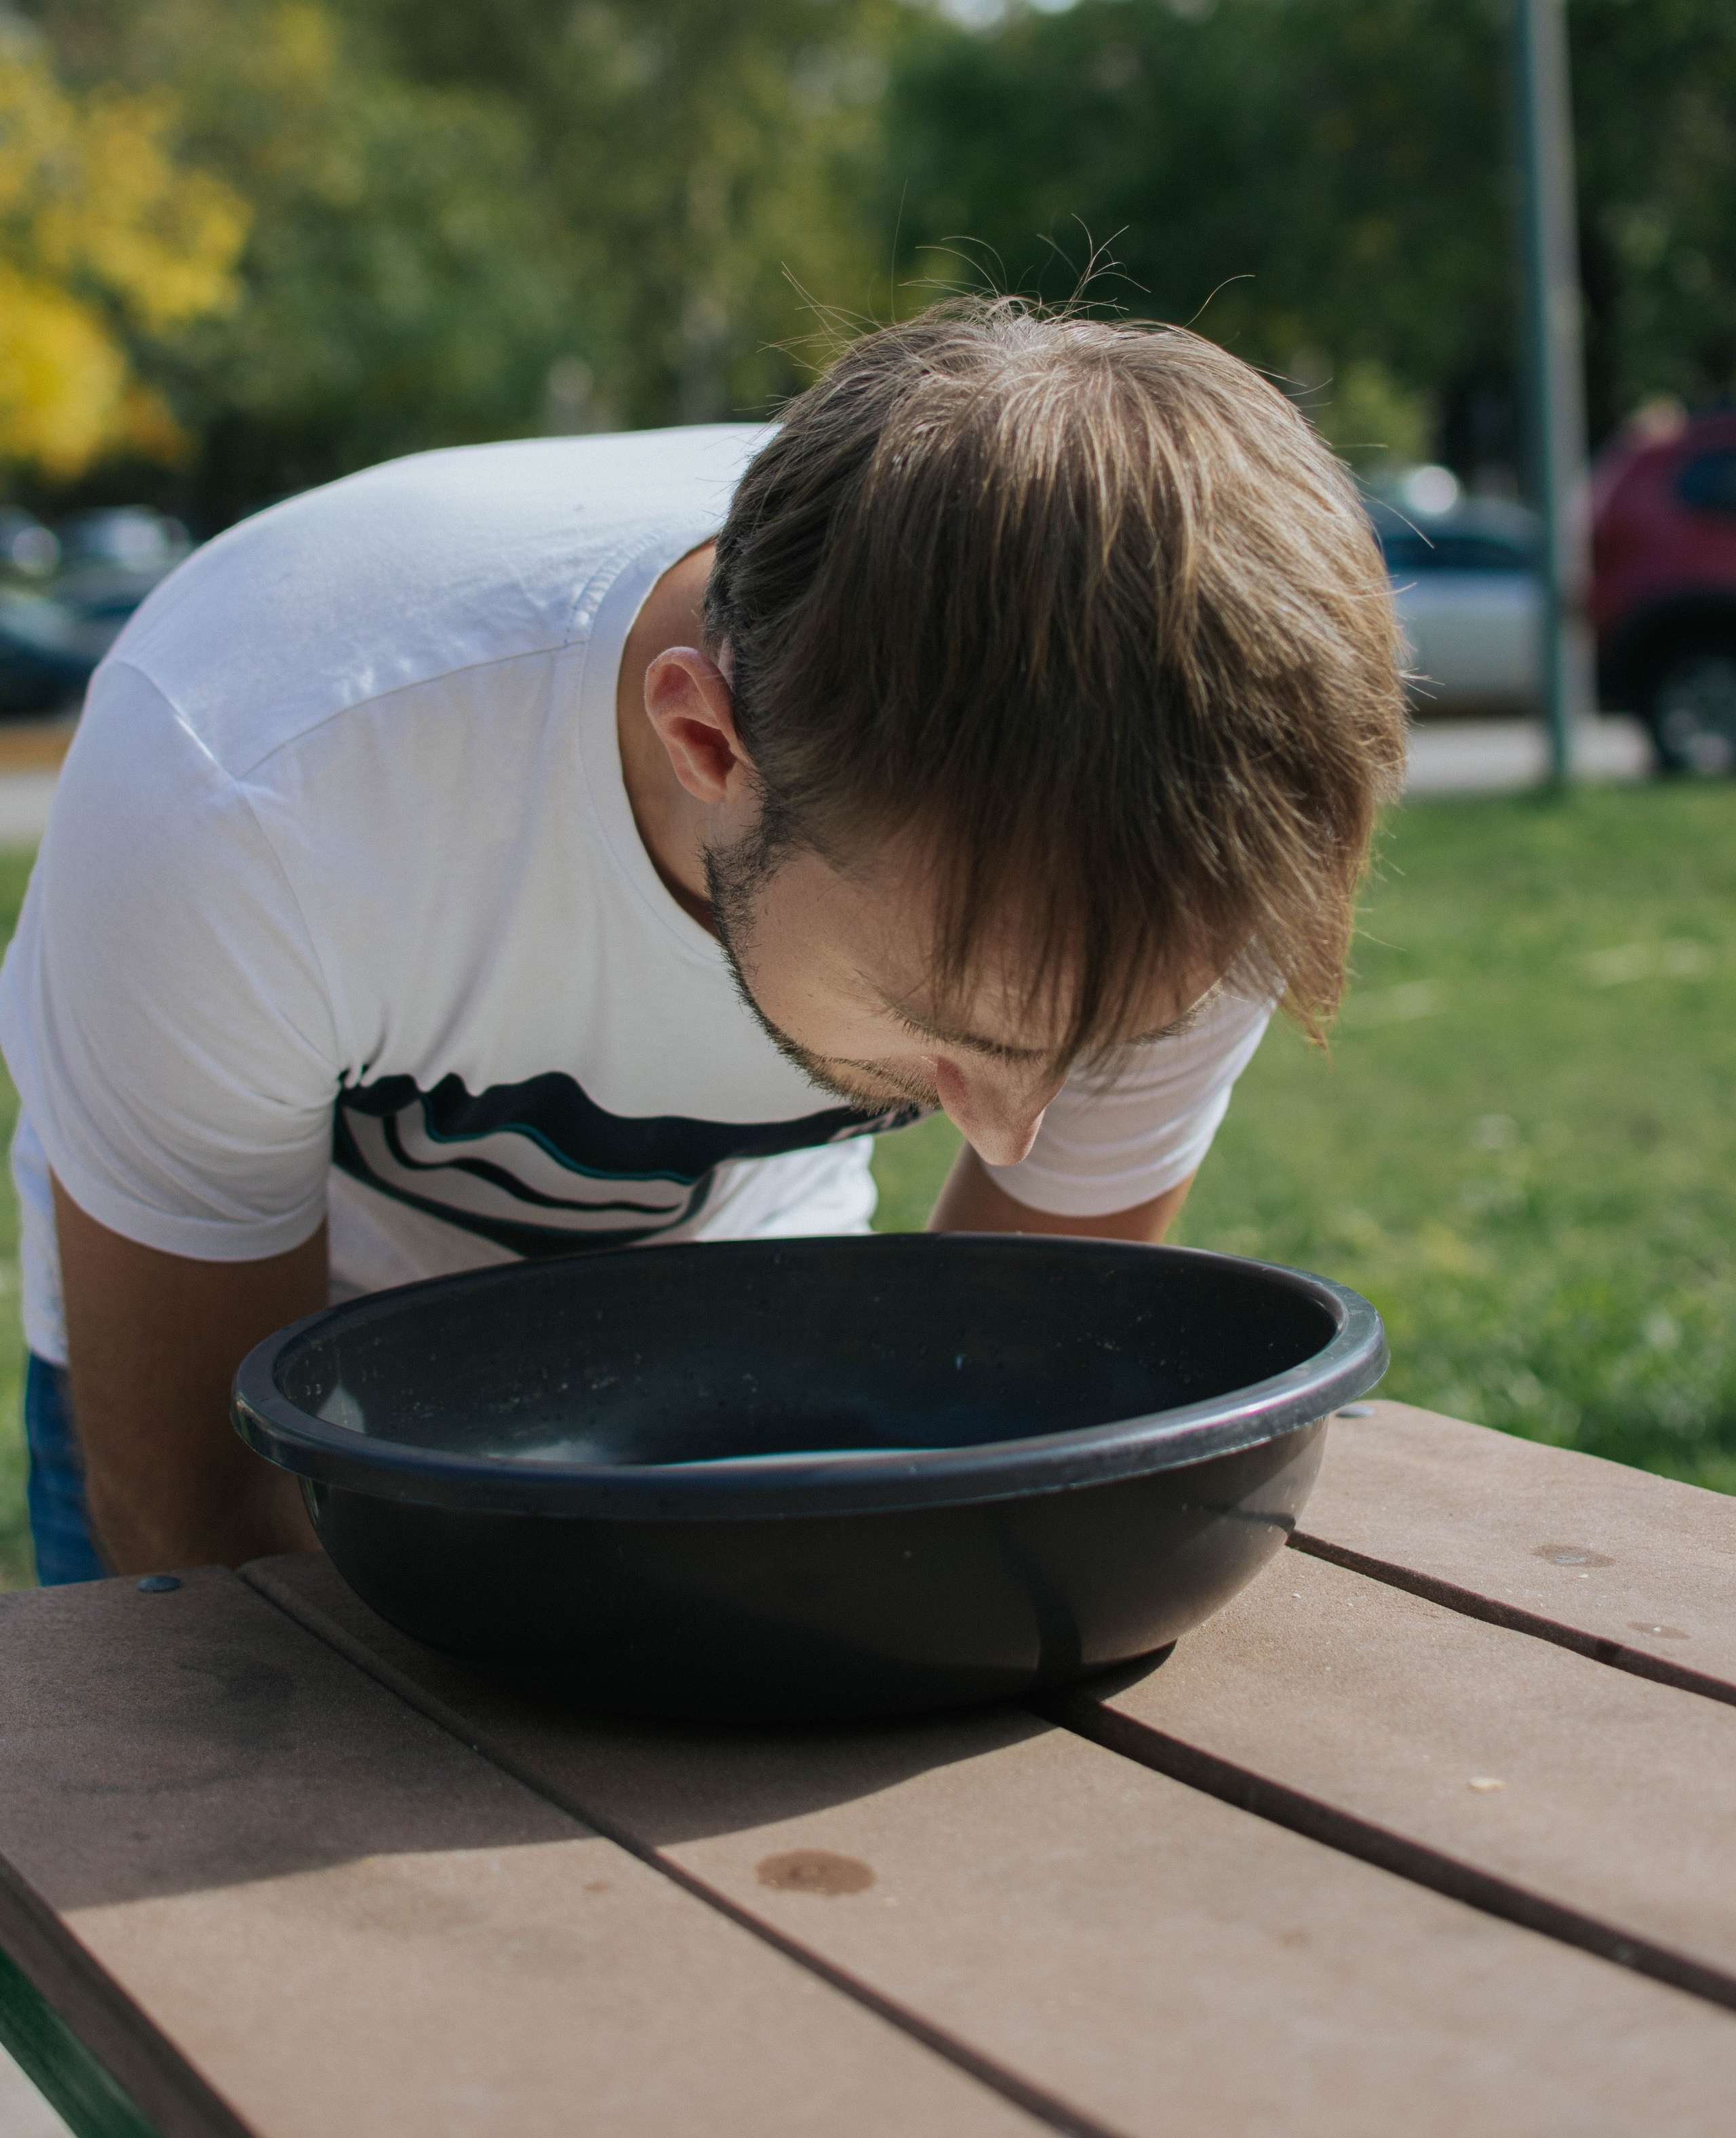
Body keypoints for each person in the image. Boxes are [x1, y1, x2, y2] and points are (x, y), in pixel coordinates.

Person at [0, 300, 1405, 1581]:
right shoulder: (252, 789)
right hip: (282, 1325)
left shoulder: (1204, 828)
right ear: (703, 742)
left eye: (1095, 1040)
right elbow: (195, 1532)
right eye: (945, 1023)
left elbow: (1007, 1389)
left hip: (743, 1311)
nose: (1015, 1132)